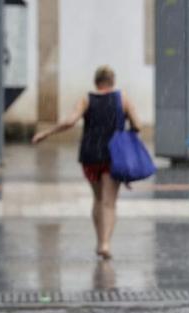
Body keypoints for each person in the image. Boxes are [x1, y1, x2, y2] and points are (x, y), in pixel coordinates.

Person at [31, 65, 140, 260]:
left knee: (98, 199)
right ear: (112, 82)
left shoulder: (86, 99)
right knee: (109, 202)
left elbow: (70, 122)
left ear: (96, 82)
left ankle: (99, 241)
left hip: (90, 155)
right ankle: (105, 244)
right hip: (113, 155)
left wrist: (47, 133)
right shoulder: (122, 99)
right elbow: (138, 125)